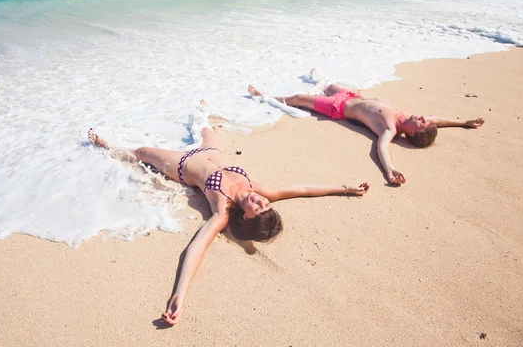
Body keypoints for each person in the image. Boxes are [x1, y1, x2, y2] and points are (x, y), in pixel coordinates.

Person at [87, 119, 369, 325]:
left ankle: (106, 147)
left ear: (245, 217)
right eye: (265, 203)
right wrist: (345, 188)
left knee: (141, 152)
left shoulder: (222, 209)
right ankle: (199, 113)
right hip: (211, 150)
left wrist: (179, 294)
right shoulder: (257, 189)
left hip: (182, 165)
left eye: (258, 207)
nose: (260, 200)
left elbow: (195, 249)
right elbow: (303, 190)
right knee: (205, 124)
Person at [248, 80, 484, 185]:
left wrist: (390, 171)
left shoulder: (390, 129)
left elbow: (381, 149)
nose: (421, 117)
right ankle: (313, 77)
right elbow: (437, 119)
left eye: (420, 123)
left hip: (337, 108)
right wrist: (464, 122)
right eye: (422, 119)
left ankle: (263, 97)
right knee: (327, 83)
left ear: (411, 133)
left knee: (299, 99)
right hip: (350, 96)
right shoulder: (408, 117)